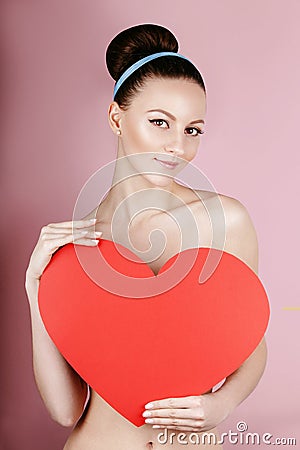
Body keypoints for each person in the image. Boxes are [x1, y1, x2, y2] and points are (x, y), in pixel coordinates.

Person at [25, 24, 268, 450]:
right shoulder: (81, 241)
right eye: (160, 122)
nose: (178, 147)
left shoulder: (224, 221)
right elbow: (66, 410)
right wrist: (35, 290)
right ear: (116, 118)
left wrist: (221, 405)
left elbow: (251, 341)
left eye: (192, 130)